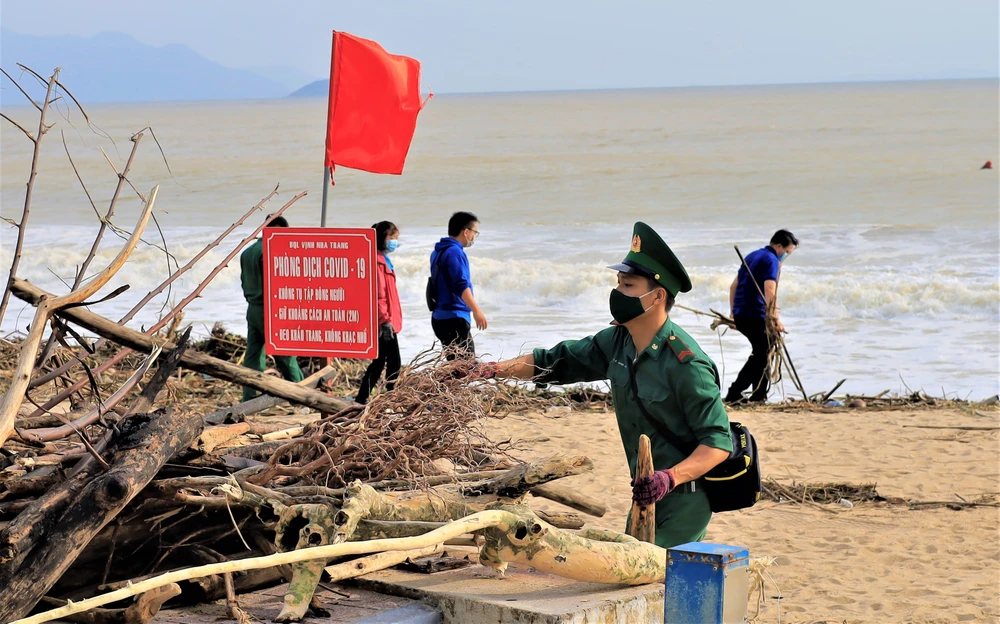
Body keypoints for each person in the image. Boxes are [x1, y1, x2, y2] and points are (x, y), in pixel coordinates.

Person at [467, 222, 733, 549]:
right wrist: (493, 369)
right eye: (618, 283)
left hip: (685, 500)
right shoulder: (617, 342)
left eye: (628, 285)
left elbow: (718, 444)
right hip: (643, 496)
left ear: (657, 296)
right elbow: (554, 361)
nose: (617, 293)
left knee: (650, 578)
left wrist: (670, 477)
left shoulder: (686, 365)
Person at [724, 229, 799, 404]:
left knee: (763, 352)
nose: (786, 256)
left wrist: (733, 312)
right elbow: (770, 289)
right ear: (779, 246)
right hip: (755, 314)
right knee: (763, 352)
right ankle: (735, 392)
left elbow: (733, 286)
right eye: (787, 252)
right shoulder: (771, 260)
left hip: (742, 313)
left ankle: (758, 395)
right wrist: (774, 318)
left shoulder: (753, 256)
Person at [239, 215, 304, 400]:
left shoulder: (247, 252)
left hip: (252, 309)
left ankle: (249, 398)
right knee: (285, 355)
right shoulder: (270, 251)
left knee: (253, 356)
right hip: (271, 310)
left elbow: (243, 283)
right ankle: (302, 396)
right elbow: (278, 284)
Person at [355, 221, 403, 405]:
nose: (395, 243)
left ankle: (363, 399)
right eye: (392, 238)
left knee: (379, 362)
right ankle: (391, 398)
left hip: (385, 320)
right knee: (393, 363)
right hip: (383, 322)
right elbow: (378, 296)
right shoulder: (376, 262)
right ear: (382, 238)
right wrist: (385, 321)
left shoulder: (382, 259)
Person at [430, 211, 487, 358]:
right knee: (465, 368)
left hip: (440, 318)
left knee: (455, 368)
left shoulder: (438, 252)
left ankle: (442, 381)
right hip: (454, 318)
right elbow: (461, 285)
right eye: (475, 232)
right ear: (466, 232)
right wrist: (477, 311)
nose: (474, 237)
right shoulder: (455, 252)